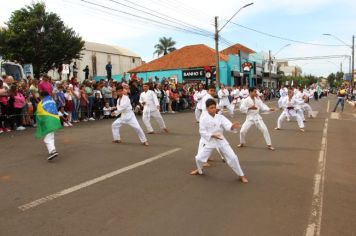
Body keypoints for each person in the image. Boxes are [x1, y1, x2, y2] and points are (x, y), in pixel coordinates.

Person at [190, 99, 248, 183]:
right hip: (209, 140)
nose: (213, 109)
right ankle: (199, 170)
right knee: (199, 158)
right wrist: (211, 135)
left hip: (221, 139)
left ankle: (241, 175)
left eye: (214, 107)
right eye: (211, 108)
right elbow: (202, 131)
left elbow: (227, 125)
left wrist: (232, 127)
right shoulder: (203, 118)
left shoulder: (220, 117)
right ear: (207, 109)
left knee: (233, 157)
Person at [35, 91, 62, 161]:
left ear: (41, 96)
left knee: (47, 138)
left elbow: (39, 115)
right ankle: (52, 151)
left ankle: (53, 151)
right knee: (51, 137)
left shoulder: (41, 103)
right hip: (55, 120)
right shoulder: (52, 101)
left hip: (48, 121)